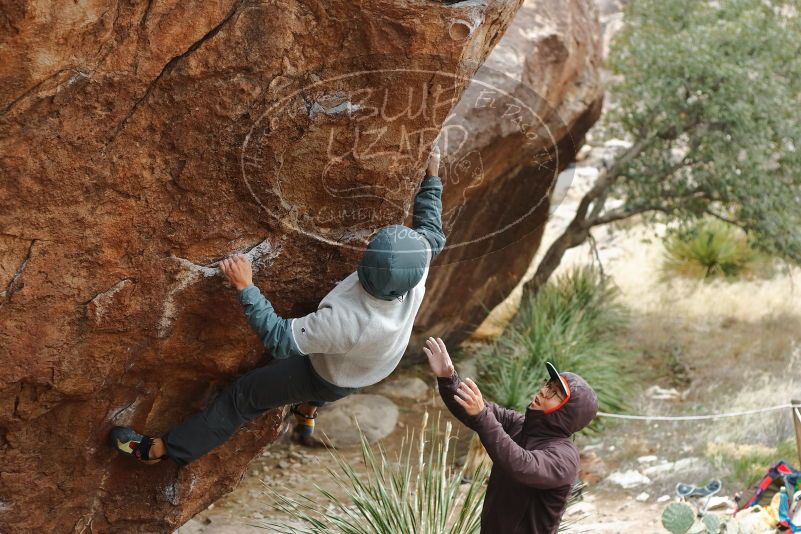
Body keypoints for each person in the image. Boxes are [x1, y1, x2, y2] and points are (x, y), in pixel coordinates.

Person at [110, 145, 445, 465]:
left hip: (330, 374)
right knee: (339, 362)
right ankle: (308, 409)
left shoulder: (348, 321)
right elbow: (431, 230)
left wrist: (246, 287)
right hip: (375, 363)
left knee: (243, 397)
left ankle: (162, 451)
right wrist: (433, 176)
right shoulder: (416, 265)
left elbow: (281, 341)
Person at [423, 337, 598, 534]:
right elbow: (472, 409)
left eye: (555, 393)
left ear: (567, 413)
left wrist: (482, 416)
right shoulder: (520, 424)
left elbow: (521, 464)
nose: (543, 391)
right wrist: (448, 377)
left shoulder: (564, 458)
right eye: (548, 385)